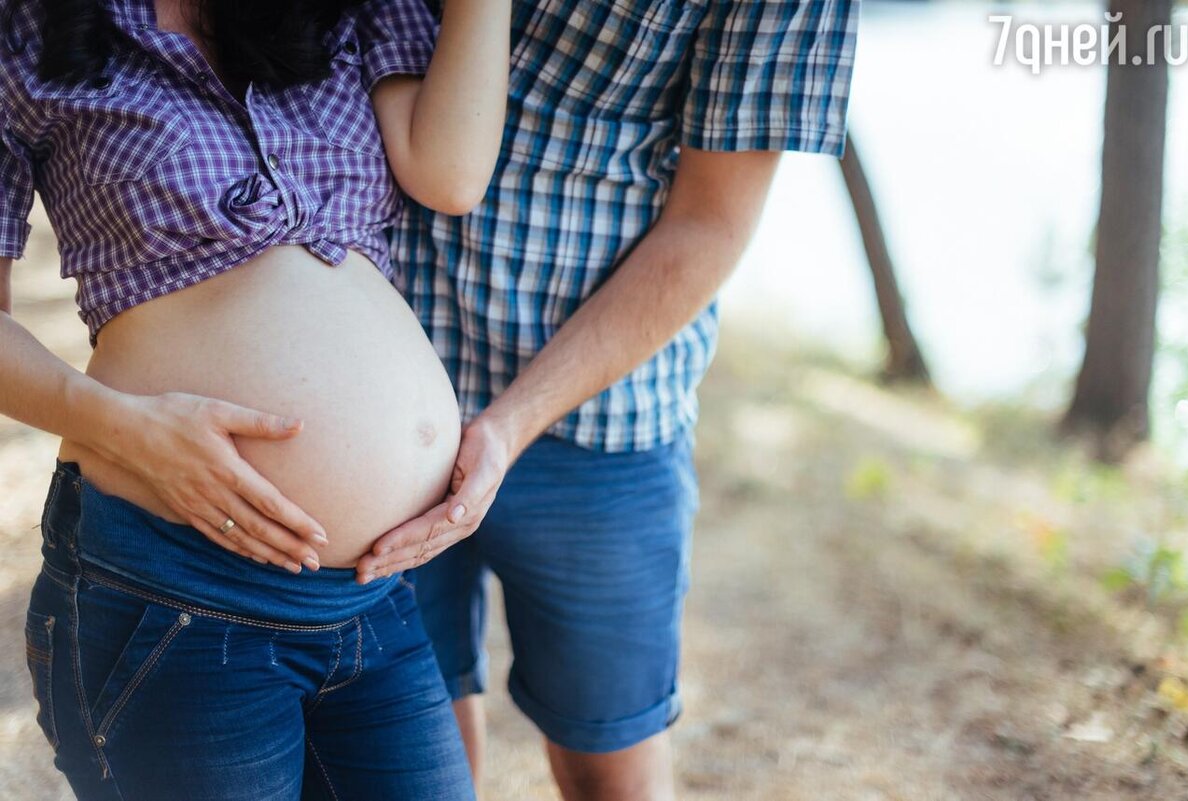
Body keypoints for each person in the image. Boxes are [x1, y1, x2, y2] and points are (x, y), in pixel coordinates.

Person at [0, 0, 508, 797]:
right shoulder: (28, 29)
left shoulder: (352, 11)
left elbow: (452, 176)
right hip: (176, 588)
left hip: (375, 597)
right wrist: (123, 427)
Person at [355, 0, 862, 798]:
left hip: (598, 420)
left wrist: (513, 421)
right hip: (383, 386)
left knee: (609, 768)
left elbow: (711, 222)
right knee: (408, 754)